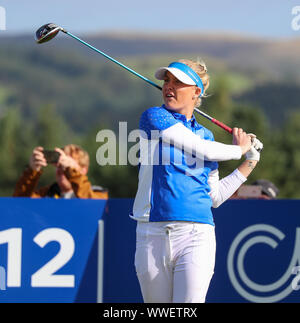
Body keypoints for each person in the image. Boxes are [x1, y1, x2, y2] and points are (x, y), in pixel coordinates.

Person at [130, 59, 263, 303]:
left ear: (196, 92)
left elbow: (215, 197)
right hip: (152, 232)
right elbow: (202, 149)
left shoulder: (207, 135)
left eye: (178, 82)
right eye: (167, 80)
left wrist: (250, 160)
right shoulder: (154, 117)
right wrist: (238, 149)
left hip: (196, 234)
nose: (169, 86)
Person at [13, 144, 108, 199]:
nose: (62, 170)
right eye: (59, 165)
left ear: (84, 170)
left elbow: (94, 207)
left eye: (66, 166)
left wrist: (72, 173)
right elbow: (19, 204)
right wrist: (31, 171)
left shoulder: (98, 193)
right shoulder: (47, 194)